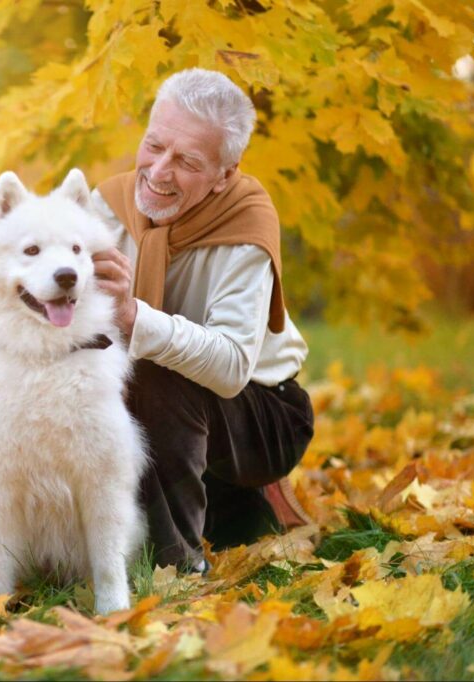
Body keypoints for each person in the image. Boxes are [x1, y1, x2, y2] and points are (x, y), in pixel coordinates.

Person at [91, 68, 315, 572]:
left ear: (224, 176)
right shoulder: (106, 205)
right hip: (180, 417)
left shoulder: (246, 225)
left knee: (153, 372)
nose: (160, 170)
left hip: (264, 413)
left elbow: (232, 367)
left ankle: (175, 568)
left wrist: (135, 318)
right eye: (154, 146)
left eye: (187, 161)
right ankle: (233, 515)